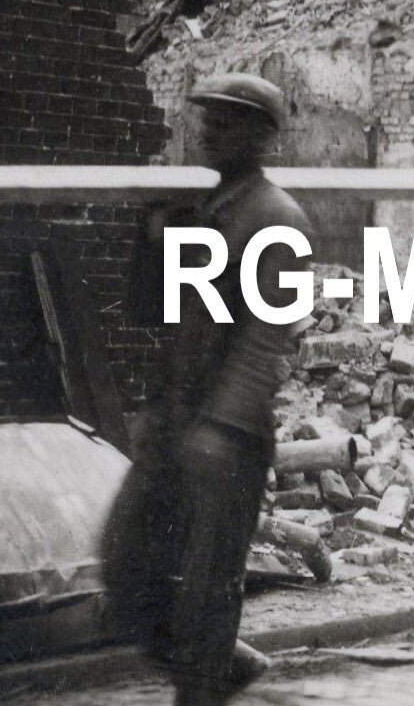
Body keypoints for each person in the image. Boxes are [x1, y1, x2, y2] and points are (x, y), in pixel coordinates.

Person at [102, 73, 312, 705]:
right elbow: (150, 312)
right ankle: (224, 666)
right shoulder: (202, 213)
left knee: (205, 595)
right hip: (173, 422)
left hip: (228, 439)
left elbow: (264, 341)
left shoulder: (278, 219)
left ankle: (206, 676)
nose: (211, 130)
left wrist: (218, 430)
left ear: (263, 137)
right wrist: (152, 240)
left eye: (231, 121)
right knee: (125, 573)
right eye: (208, 118)